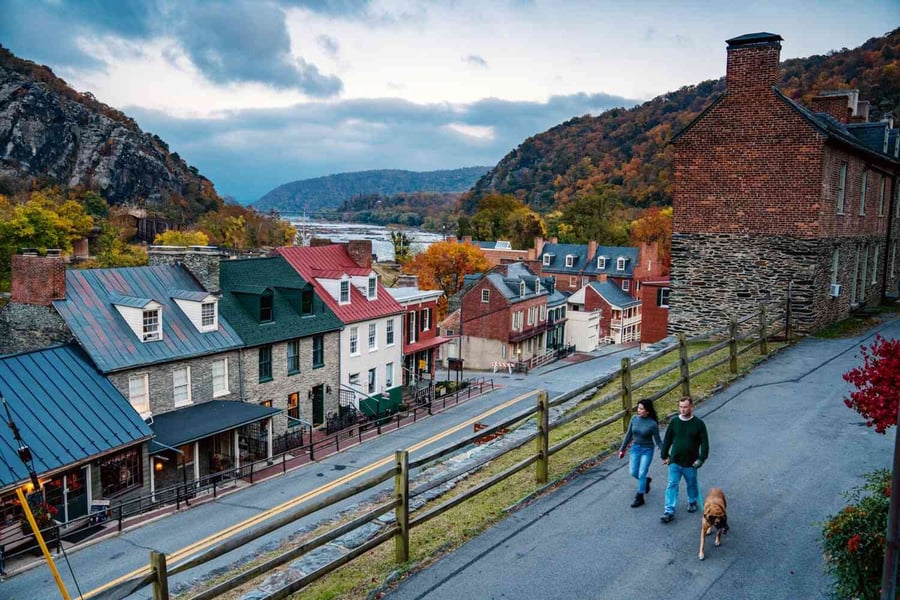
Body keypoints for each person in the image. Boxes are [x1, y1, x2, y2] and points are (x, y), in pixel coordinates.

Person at [659, 396, 709, 523]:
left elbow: (705, 444)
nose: (682, 410)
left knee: (691, 484)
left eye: (685, 407)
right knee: (672, 484)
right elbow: (667, 440)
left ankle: (692, 501)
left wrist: (701, 459)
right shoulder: (674, 422)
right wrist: (664, 455)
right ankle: (669, 510)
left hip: (691, 463)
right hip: (675, 461)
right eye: (680, 407)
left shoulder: (698, 424)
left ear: (692, 407)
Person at [617, 399, 662, 507]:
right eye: (638, 408)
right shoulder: (634, 419)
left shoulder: (652, 424)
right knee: (633, 472)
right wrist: (622, 449)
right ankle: (646, 481)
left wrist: (665, 454)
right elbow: (628, 435)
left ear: (648, 411)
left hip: (647, 450)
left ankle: (640, 496)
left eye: (642, 408)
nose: (639, 410)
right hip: (635, 448)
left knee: (642, 473)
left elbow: (658, 441)